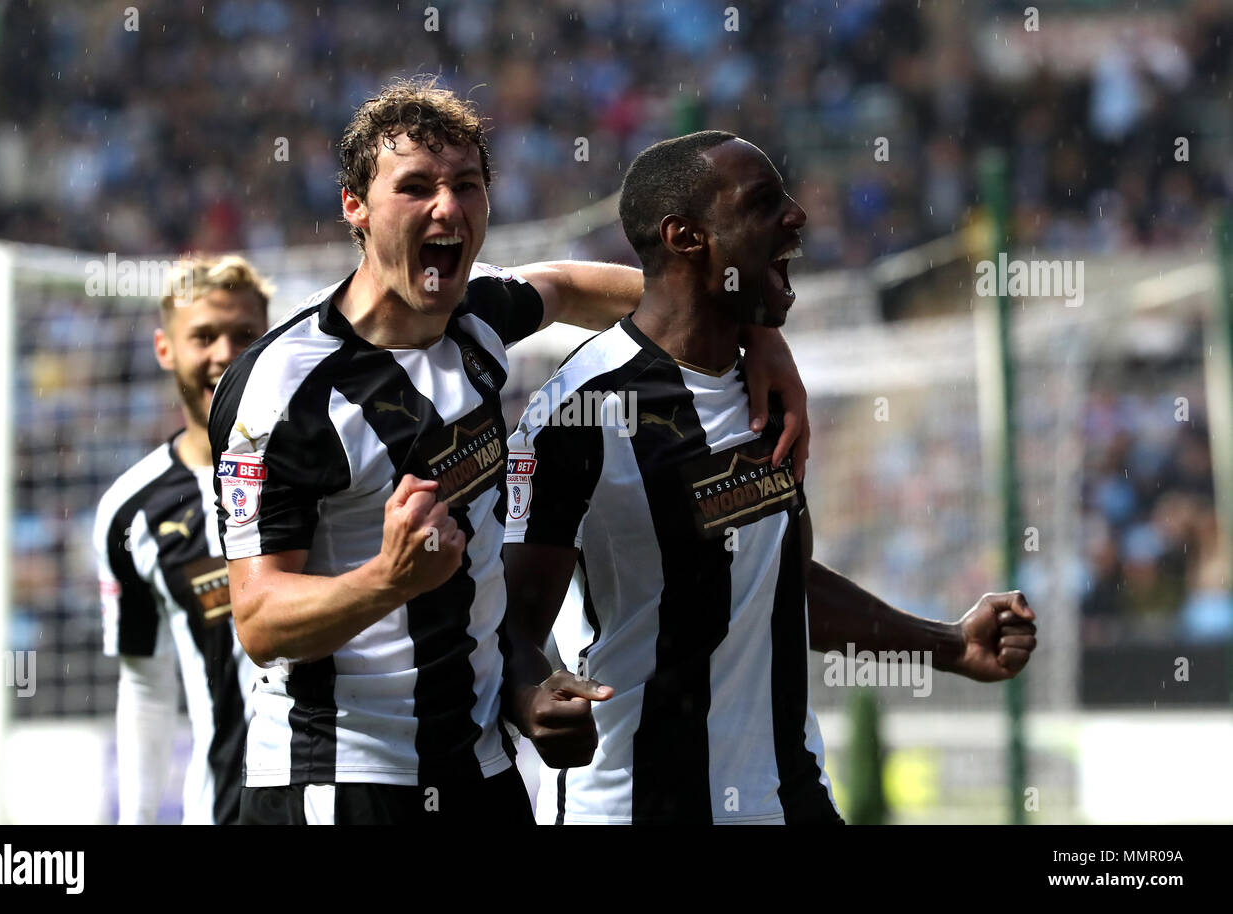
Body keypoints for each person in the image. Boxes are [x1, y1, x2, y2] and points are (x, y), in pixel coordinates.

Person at [208, 78, 810, 825]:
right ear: (354, 206)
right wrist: (385, 580)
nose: (447, 208)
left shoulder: (476, 317)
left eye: (466, 185)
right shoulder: (283, 388)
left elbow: (569, 285)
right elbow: (259, 619)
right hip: (341, 777)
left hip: (483, 767)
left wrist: (755, 330)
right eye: (415, 187)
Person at [501, 131, 1039, 824]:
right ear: (686, 238)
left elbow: (782, 584)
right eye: (762, 203)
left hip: (789, 796)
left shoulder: (769, 392)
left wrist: (950, 644)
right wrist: (535, 697)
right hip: (636, 804)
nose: (797, 215)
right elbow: (513, 626)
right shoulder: (579, 413)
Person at [94, 255, 272, 824]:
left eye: (244, 334)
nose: (225, 353)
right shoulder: (133, 513)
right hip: (223, 812)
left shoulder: (332, 463)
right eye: (204, 336)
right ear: (165, 348)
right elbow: (146, 687)